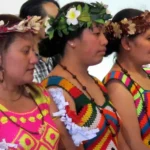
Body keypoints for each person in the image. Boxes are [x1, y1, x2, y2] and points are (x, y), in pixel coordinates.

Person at [40, 1, 124, 149]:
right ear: (72, 39)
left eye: (103, 34)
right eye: (97, 33)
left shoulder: (96, 82)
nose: (105, 41)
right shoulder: (55, 90)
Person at [0, 14, 75, 150]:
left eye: (33, 51)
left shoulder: (40, 93)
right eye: (25, 51)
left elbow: (67, 144)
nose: (34, 59)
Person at [103, 9, 150, 150]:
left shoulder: (147, 72)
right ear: (127, 44)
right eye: (149, 38)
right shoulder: (117, 84)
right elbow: (134, 145)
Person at [19, 0, 60, 83]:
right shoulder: (20, 59)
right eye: (52, 20)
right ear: (33, 21)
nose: (58, 25)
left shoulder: (58, 55)